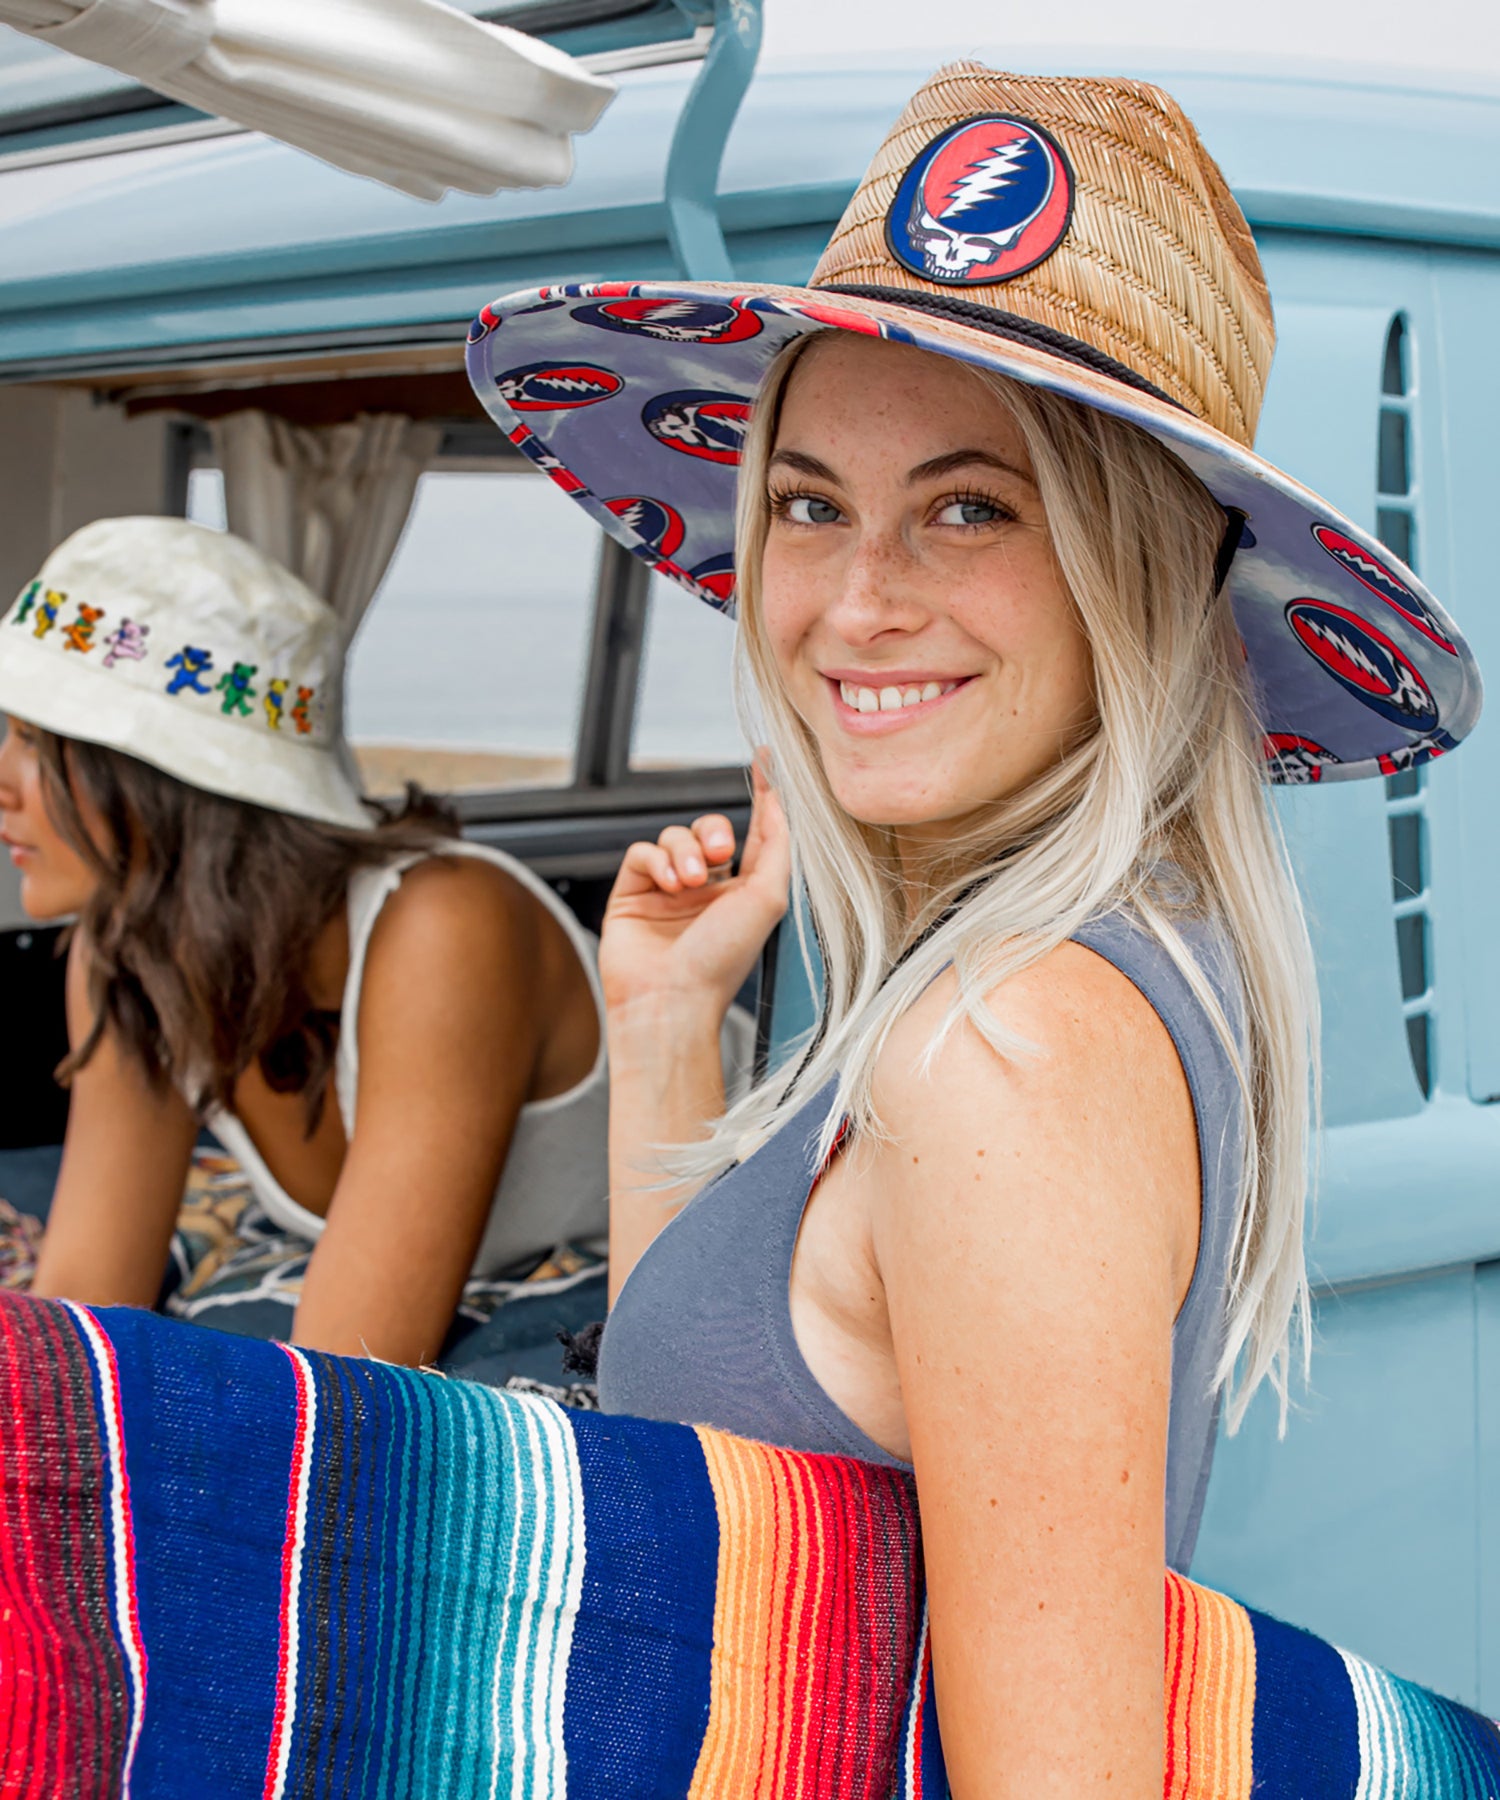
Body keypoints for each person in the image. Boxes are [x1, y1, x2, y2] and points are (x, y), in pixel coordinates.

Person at [463, 63, 1483, 1795]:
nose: (858, 602)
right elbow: (694, 1505)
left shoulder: (1005, 1049)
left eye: (969, 507)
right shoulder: (1031, 979)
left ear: (1140, 566)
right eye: (810, 504)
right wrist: (667, 1028)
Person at [0, 516, 609, 1368]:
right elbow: (82, 1300)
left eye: (35, 741)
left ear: (166, 780)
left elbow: (348, 1377)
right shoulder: (125, 950)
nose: (4, 778)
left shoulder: (443, 927)